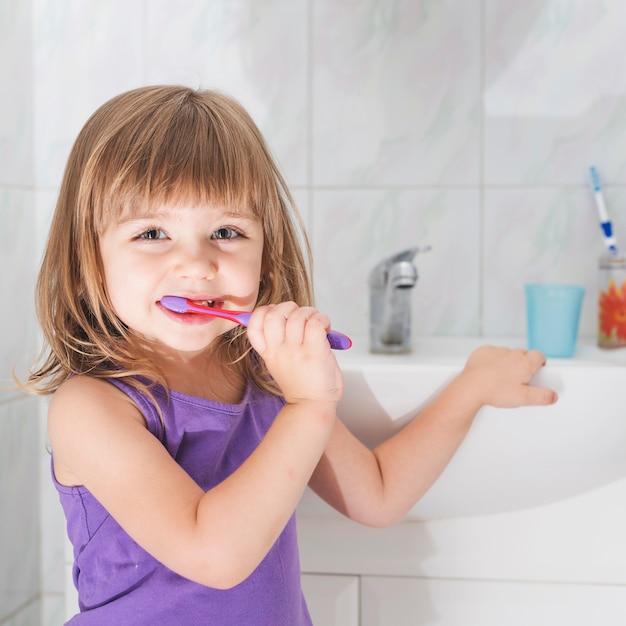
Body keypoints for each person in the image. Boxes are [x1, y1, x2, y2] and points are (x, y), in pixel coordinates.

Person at [22, 85, 557, 625]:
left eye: (226, 232)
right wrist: (308, 406)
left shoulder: (263, 375)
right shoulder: (91, 407)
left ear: (265, 250)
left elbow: (375, 494)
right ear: (90, 251)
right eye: (153, 233)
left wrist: (469, 390)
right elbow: (215, 553)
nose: (197, 264)